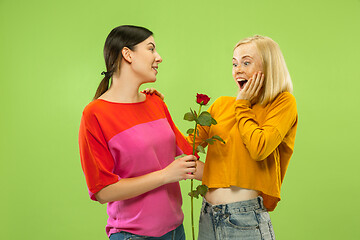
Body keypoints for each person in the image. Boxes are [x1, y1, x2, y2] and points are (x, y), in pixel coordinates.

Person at [146, 35, 297, 239]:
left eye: (246, 62)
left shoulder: (282, 103)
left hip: (245, 221)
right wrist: (157, 109)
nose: (238, 69)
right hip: (208, 216)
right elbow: (184, 148)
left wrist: (242, 104)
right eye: (234, 63)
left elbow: (259, 148)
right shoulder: (221, 105)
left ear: (269, 67)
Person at [78, 25, 201, 240]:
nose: (159, 57)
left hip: (176, 233)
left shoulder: (155, 103)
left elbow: (187, 158)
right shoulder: (95, 114)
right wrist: (165, 175)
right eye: (151, 49)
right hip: (133, 236)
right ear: (127, 54)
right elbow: (103, 190)